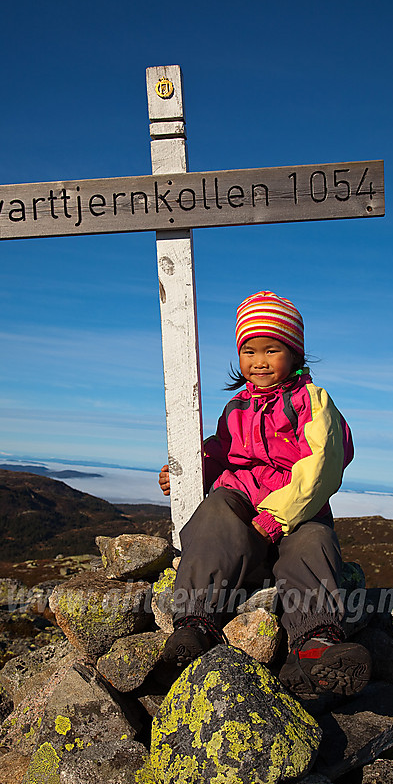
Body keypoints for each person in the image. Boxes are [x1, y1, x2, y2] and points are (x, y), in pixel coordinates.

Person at [158, 290, 371, 699]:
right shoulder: (235, 408)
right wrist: (188, 475)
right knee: (214, 513)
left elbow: (323, 464)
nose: (258, 361)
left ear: (293, 353)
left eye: (271, 350)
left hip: (296, 506)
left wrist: (279, 516)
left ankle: (313, 644)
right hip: (241, 500)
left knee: (313, 540)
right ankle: (194, 624)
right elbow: (219, 453)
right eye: (249, 350)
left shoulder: (311, 401)